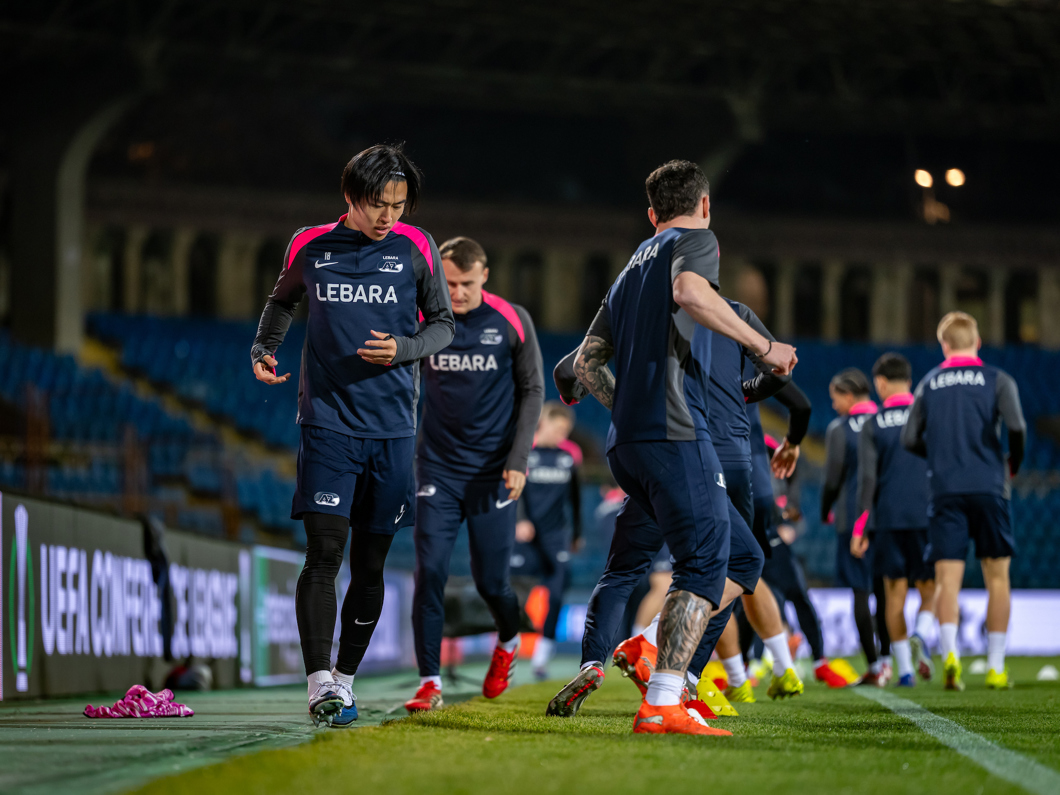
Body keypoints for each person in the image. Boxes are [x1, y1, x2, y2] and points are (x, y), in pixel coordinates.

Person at [562, 159, 797, 736]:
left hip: (628, 444)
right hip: (676, 432)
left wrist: (628, 410)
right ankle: (662, 697)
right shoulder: (695, 241)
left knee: (743, 558)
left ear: (651, 213)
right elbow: (691, 292)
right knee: (705, 564)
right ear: (705, 205)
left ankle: (647, 651)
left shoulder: (628, 269)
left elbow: (585, 363)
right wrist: (763, 346)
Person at [250, 144, 455, 727]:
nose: (389, 216)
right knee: (324, 553)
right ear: (350, 196)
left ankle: (345, 678)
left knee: (370, 565)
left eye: (398, 204)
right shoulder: (310, 244)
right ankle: (319, 685)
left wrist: (404, 349)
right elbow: (281, 302)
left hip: (392, 431)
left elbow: (443, 325)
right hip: (327, 422)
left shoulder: (417, 246)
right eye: (377, 204)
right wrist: (264, 347)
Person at [405, 236, 544, 713]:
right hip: (437, 469)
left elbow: (533, 390)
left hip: (493, 474)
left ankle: (508, 640)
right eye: (448, 283)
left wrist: (518, 460)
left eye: (466, 283)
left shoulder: (511, 319)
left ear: (484, 275)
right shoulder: (424, 318)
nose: (457, 292)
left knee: (492, 584)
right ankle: (429, 682)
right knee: (430, 573)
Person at [902, 312, 1025, 690]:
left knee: (946, 580)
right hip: (989, 485)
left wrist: (938, 455)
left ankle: (951, 654)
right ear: (977, 342)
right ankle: (996, 666)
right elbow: (1017, 427)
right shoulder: (998, 379)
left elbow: (909, 438)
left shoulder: (929, 383)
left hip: (945, 489)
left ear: (945, 345)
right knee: (997, 578)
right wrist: (1012, 464)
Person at [852, 352, 937, 688]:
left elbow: (867, 480)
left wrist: (860, 527)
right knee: (931, 587)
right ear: (909, 381)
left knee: (893, 594)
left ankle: (904, 671)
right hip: (926, 514)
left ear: (881, 383)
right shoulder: (927, 415)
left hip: (888, 518)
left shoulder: (873, 423)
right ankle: (922, 632)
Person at [821, 368, 890, 686]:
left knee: (861, 592)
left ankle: (874, 666)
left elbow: (832, 478)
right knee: (886, 590)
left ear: (849, 396)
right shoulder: (885, 421)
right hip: (887, 518)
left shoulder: (840, 429)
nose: (834, 405)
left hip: (853, 520)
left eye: (836, 398)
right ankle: (889, 661)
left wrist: (825, 510)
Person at [512, 401, 583, 679]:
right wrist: (520, 520)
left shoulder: (568, 458)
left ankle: (542, 656)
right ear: (544, 423)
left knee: (556, 593)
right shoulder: (524, 453)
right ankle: (509, 647)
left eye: (566, 431)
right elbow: (514, 490)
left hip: (556, 537)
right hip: (527, 537)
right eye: (558, 428)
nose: (561, 435)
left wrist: (576, 534)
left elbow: (576, 500)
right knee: (515, 594)